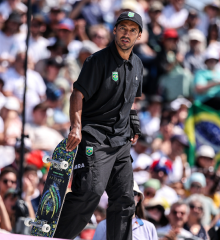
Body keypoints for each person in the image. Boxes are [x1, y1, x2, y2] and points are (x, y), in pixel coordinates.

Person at [53, 12, 144, 239]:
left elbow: (131, 100)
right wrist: (76, 127)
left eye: (133, 30)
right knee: (90, 192)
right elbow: (77, 94)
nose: (127, 33)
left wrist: (133, 123)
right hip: (95, 137)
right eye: (123, 28)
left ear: (139, 35)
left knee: (125, 199)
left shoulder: (138, 65)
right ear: (114, 31)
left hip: (121, 141)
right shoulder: (97, 60)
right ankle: (57, 237)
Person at [93, 181, 158, 239]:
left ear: (138, 198)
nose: (127, 197)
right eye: (122, 194)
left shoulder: (149, 227)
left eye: (132, 193)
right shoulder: (104, 225)